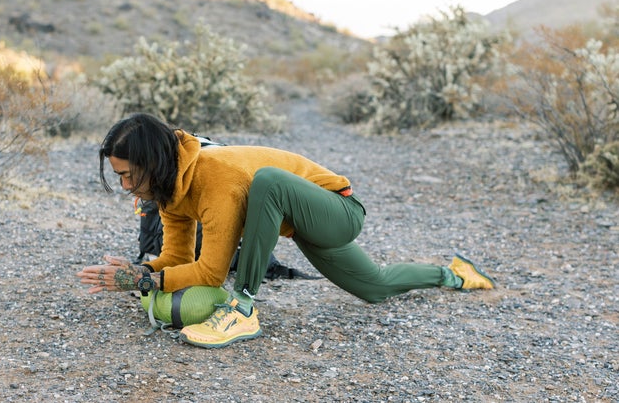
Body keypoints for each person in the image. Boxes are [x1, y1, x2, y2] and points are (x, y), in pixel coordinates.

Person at [76, 112, 495, 349]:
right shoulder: (171, 193)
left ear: (154, 162)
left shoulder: (215, 176)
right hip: (304, 226)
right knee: (375, 287)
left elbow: (209, 274)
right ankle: (454, 274)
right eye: (120, 177)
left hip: (339, 210)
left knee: (269, 182)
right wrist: (139, 276)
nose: (125, 186)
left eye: (130, 175)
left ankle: (243, 308)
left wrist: (147, 279)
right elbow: (179, 260)